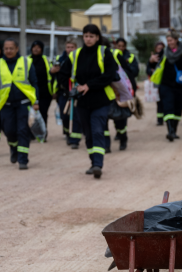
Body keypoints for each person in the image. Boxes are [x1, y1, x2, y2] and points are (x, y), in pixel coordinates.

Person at [58, 24, 118, 179]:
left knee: (98, 130)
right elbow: (63, 76)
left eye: (92, 36)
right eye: (86, 36)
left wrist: (89, 85)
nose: (88, 39)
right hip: (82, 102)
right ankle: (93, 163)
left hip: (101, 100)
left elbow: (110, 75)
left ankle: (98, 164)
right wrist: (72, 88)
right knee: (89, 134)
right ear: (83, 37)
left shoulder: (105, 53)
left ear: (97, 37)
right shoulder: (75, 55)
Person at [0, 38, 39, 170]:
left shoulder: (26, 62)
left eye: (11, 48)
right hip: (6, 104)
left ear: (17, 49)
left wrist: (36, 101)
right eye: (6, 49)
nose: (8, 51)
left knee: (23, 130)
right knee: (9, 131)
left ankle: (23, 160)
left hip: (24, 104)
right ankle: (13, 148)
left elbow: (34, 83)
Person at [149, 30, 182, 141]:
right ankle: (170, 131)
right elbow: (153, 63)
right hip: (166, 85)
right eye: (167, 40)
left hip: (181, 85)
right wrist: (151, 60)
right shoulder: (164, 52)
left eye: (170, 40)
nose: (169, 42)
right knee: (168, 106)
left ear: (176, 40)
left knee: (177, 108)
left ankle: (174, 131)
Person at [50, 38, 83, 148]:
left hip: (77, 91)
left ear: (76, 48)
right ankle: (67, 133)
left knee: (76, 115)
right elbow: (52, 75)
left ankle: (75, 140)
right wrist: (52, 71)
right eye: (68, 47)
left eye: (72, 47)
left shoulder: (80, 58)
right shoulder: (59, 59)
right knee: (64, 115)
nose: (70, 49)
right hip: (63, 91)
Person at [111, 37, 139, 150]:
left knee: (122, 114)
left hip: (126, 89)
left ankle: (123, 136)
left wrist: (123, 72)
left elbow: (135, 72)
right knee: (113, 112)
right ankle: (118, 133)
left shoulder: (130, 57)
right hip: (113, 90)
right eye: (119, 46)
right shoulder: (110, 56)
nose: (121, 48)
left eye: (123, 46)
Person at [29, 40, 53, 139]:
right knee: (30, 114)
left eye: (38, 47)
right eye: (34, 47)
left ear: (42, 49)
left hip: (45, 92)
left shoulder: (46, 60)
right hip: (30, 92)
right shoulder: (26, 60)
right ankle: (31, 134)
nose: (36, 49)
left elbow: (52, 74)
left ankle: (43, 133)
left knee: (43, 113)